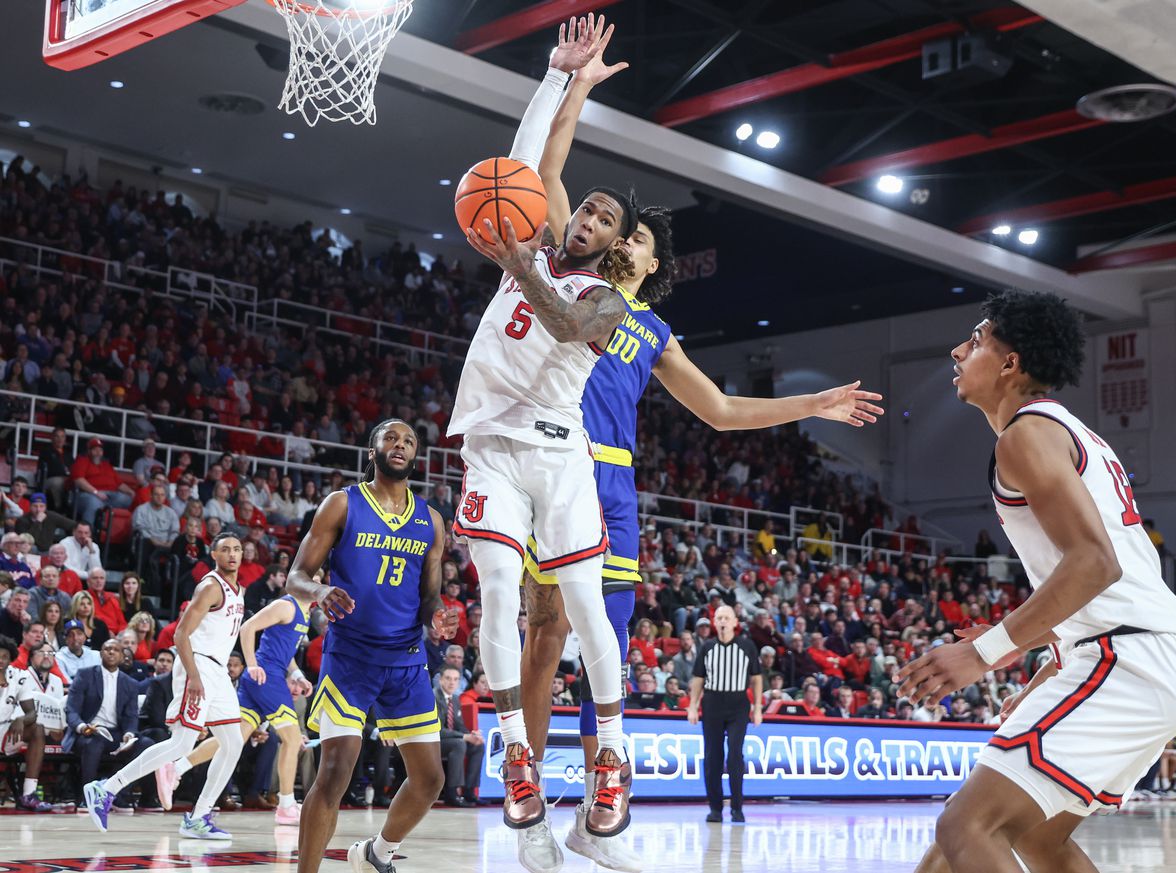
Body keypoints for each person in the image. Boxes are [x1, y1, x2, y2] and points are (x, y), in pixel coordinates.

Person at [513, 18, 882, 869]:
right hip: (556, 465)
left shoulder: (654, 330)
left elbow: (718, 410)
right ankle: (529, 813)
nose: (619, 234)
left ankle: (593, 818)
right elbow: (552, 172)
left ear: (647, 259)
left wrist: (813, 402)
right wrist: (577, 88)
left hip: (615, 490)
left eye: (633, 234)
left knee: (602, 658)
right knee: (541, 643)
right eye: (618, 227)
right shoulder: (577, 280)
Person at [899, 291, 1176, 873]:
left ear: (1010, 363)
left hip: (1132, 655)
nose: (957, 350)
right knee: (1029, 839)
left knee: (968, 824)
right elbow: (1100, 579)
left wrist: (985, 652)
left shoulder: (1027, 434)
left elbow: (1096, 564)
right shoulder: (1061, 432)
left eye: (975, 340)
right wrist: (1048, 667)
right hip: (1139, 650)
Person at [449, 16, 641, 863]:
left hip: (561, 454)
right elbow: (529, 166)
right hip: (491, 439)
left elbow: (566, 319)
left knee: (587, 609)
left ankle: (612, 754)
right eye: (584, 207)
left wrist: (519, 259)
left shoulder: (609, 304)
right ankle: (518, 754)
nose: (588, 218)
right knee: (496, 589)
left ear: (612, 245)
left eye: (603, 219)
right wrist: (558, 78)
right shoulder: (530, 229)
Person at [285, 419, 458, 873]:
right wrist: (320, 592)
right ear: (372, 449)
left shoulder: (432, 521)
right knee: (336, 770)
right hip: (351, 657)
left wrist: (438, 618)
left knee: (430, 778)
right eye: (391, 438)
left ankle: (375, 853)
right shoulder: (342, 504)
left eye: (408, 442)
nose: (399, 446)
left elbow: (429, 599)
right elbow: (296, 576)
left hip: (405, 660)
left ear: (415, 455)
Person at [82, 532, 248, 839]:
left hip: (218, 671)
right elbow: (180, 634)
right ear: (213, 554)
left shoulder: (240, 590)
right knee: (182, 743)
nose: (232, 554)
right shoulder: (211, 586)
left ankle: (198, 817)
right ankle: (106, 789)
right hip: (197, 664)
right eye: (225, 549)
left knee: (234, 743)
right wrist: (194, 675)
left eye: (237, 549)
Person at [159, 587, 314, 824]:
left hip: (266, 676)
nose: (315, 583)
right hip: (266, 676)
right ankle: (286, 805)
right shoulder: (287, 605)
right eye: (310, 578)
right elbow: (247, 627)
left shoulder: (305, 612)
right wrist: (251, 665)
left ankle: (176, 769)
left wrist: (297, 674)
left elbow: (286, 652)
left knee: (233, 739)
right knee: (292, 740)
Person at [686, 605, 762, 823]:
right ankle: (715, 809)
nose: (722, 621)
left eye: (727, 618)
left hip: (738, 703)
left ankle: (737, 808)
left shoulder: (747, 646)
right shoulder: (707, 647)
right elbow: (698, 678)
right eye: (719, 617)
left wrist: (757, 708)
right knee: (712, 757)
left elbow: (756, 678)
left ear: (735, 622)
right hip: (712, 703)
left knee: (735, 754)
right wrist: (693, 706)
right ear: (714, 621)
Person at [65, 638, 154, 811]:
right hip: (88, 732)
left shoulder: (130, 683)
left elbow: (130, 717)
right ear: (101, 654)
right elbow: (71, 710)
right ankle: (88, 798)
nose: (111, 652)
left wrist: (129, 734)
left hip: (116, 734)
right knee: (94, 743)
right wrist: (83, 727)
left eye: (115, 650)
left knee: (146, 745)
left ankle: (118, 795)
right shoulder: (85, 675)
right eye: (107, 649)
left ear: (122, 656)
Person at [0, 635, 53, 811]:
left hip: (6, 731)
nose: (0, 660)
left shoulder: (18, 676)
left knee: (37, 730)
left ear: (11, 658)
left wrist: (21, 719)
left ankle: (28, 795)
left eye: (4, 656)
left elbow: (32, 713)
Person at [434, 664, 484, 808]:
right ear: (440, 680)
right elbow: (438, 730)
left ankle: (469, 791)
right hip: (434, 742)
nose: (452, 682)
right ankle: (452, 793)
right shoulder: (433, 697)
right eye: (448, 678)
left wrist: (472, 735)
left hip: (450, 740)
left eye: (456, 679)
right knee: (459, 744)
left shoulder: (455, 699)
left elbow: (460, 726)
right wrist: (464, 737)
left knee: (478, 745)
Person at [70, 438, 135, 524]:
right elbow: (79, 480)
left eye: (100, 450)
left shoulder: (106, 465)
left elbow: (119, 484)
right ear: (89, 451)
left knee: (127, 499)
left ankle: (115, 532)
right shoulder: (82, 461)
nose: (98, 452)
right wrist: (96, 492)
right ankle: (87, 533)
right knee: (94, 502)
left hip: (109, 497)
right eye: (95, 449)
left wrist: (130, 491)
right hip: (88, 494)